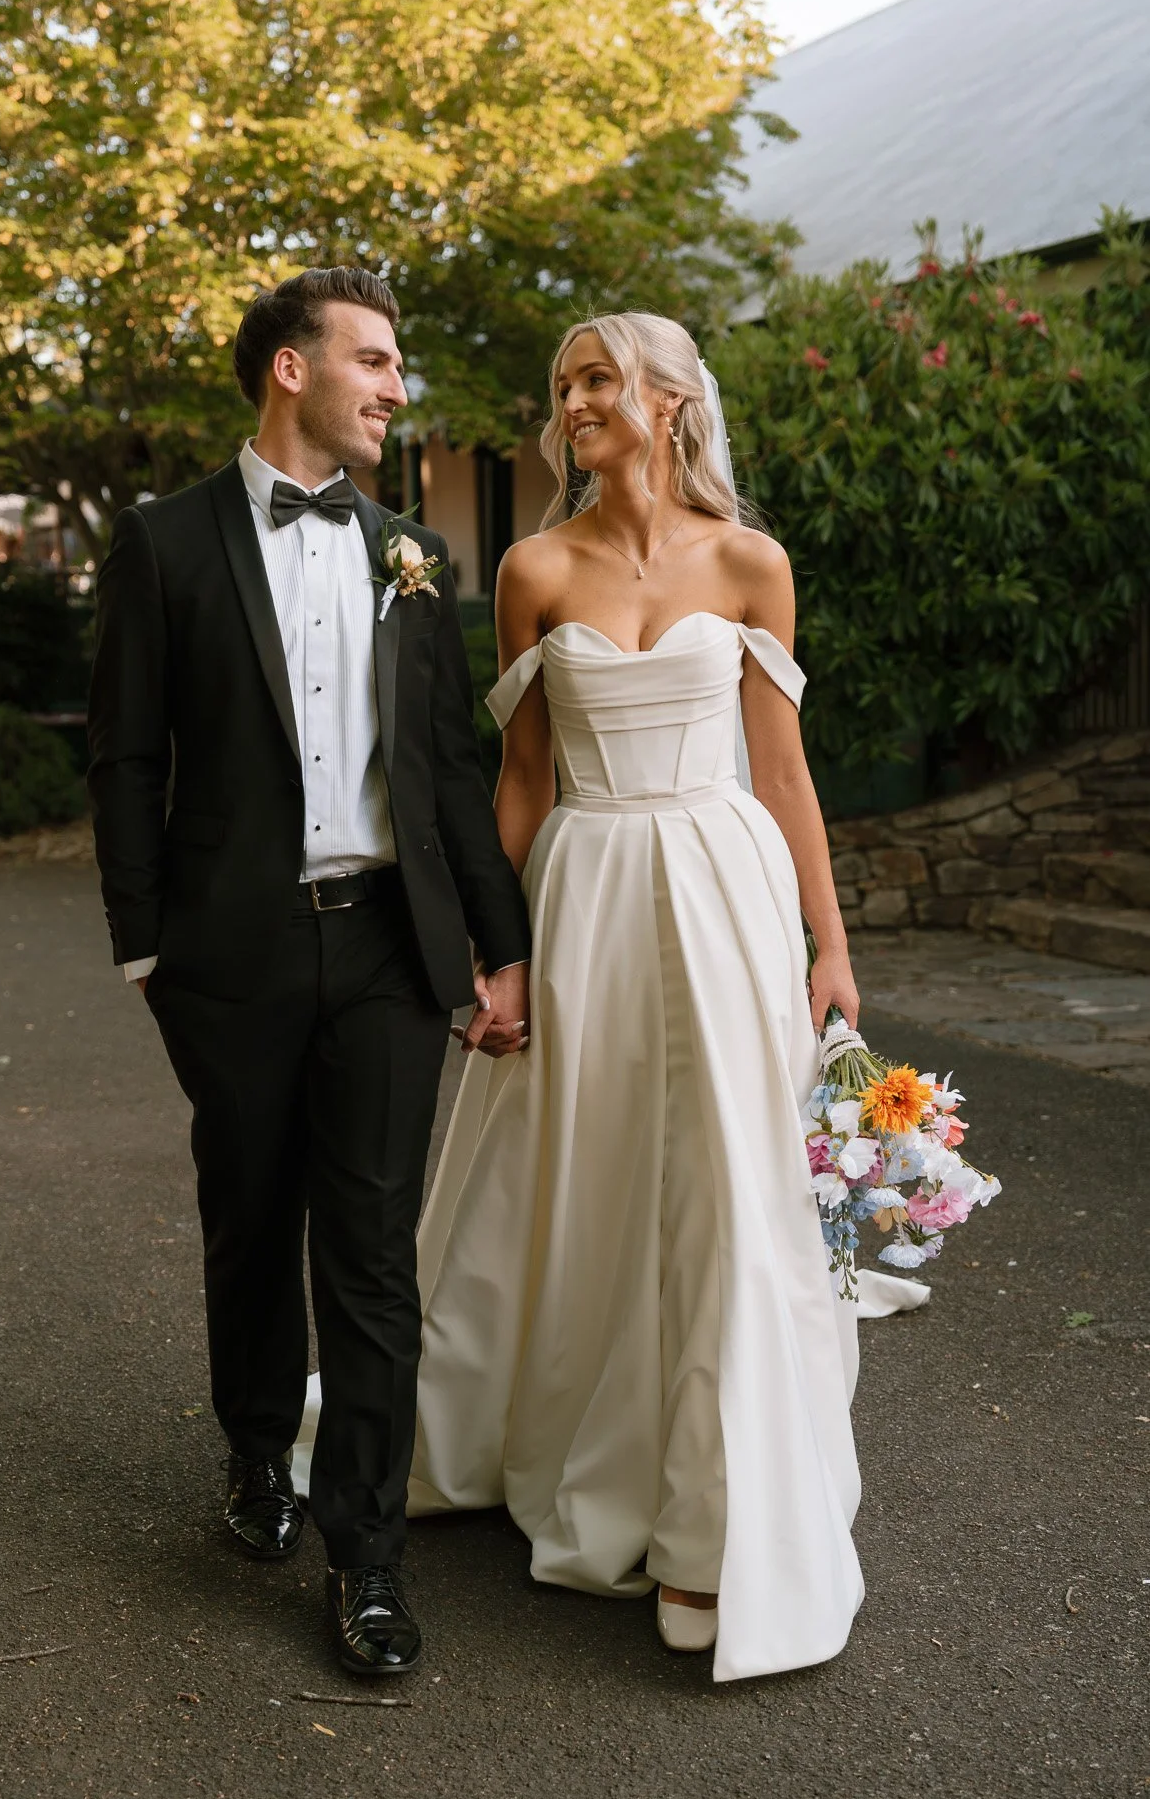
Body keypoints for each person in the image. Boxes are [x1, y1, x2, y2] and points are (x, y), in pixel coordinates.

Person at [389, 311, 927, 1682]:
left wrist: (831, 943)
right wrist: (488, 951)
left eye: (596, 382)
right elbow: (520, 778)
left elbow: (787, 773)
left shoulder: (751, 563)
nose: (571, 404)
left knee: (731, 1189)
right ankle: (578, 1450)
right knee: (593, 1170)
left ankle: (713, 1523)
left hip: (729, 890)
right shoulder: (529, 569)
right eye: (563, 385)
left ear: (672, 402)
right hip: (585, 894)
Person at [86, 267, 530, 1678]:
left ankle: (368, 1556)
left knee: (373, 1256)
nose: (399, 389)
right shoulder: (162, 544)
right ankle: (255, 1449)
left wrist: (499, 948)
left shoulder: (412, 555)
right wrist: (148, 941)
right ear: (293, 369)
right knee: (248, 1217)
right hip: (233, 952)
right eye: (379, 361)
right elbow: (124, 754)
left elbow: (450, 770)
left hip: (392, 952)